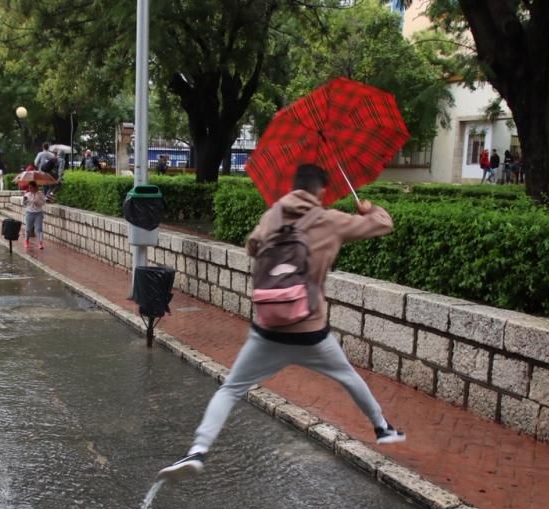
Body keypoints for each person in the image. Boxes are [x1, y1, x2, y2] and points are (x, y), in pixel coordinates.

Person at [157, 164, 407, 482]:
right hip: (311, 331)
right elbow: (384, 224)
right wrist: (369, 210)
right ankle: (382, 428)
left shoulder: (273, 215)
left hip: (268, 329)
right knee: (347, 376)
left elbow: (252, 246)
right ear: (321, 191)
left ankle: (198, 451)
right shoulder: (330, 221)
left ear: (294, 187)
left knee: (231, 388)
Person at [23, 181, 46, 251]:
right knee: (28, 229)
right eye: (29, 187)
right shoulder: (27, 194)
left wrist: (38, 202)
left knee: (39, 229)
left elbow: (43, 203)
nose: (29, 189)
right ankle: (26, 241)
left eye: (31, 187)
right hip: (29, 213)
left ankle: (40, 243)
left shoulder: (40, 194)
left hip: (38, 213)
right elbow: (24, 204)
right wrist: (25, 201)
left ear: (35, 187)